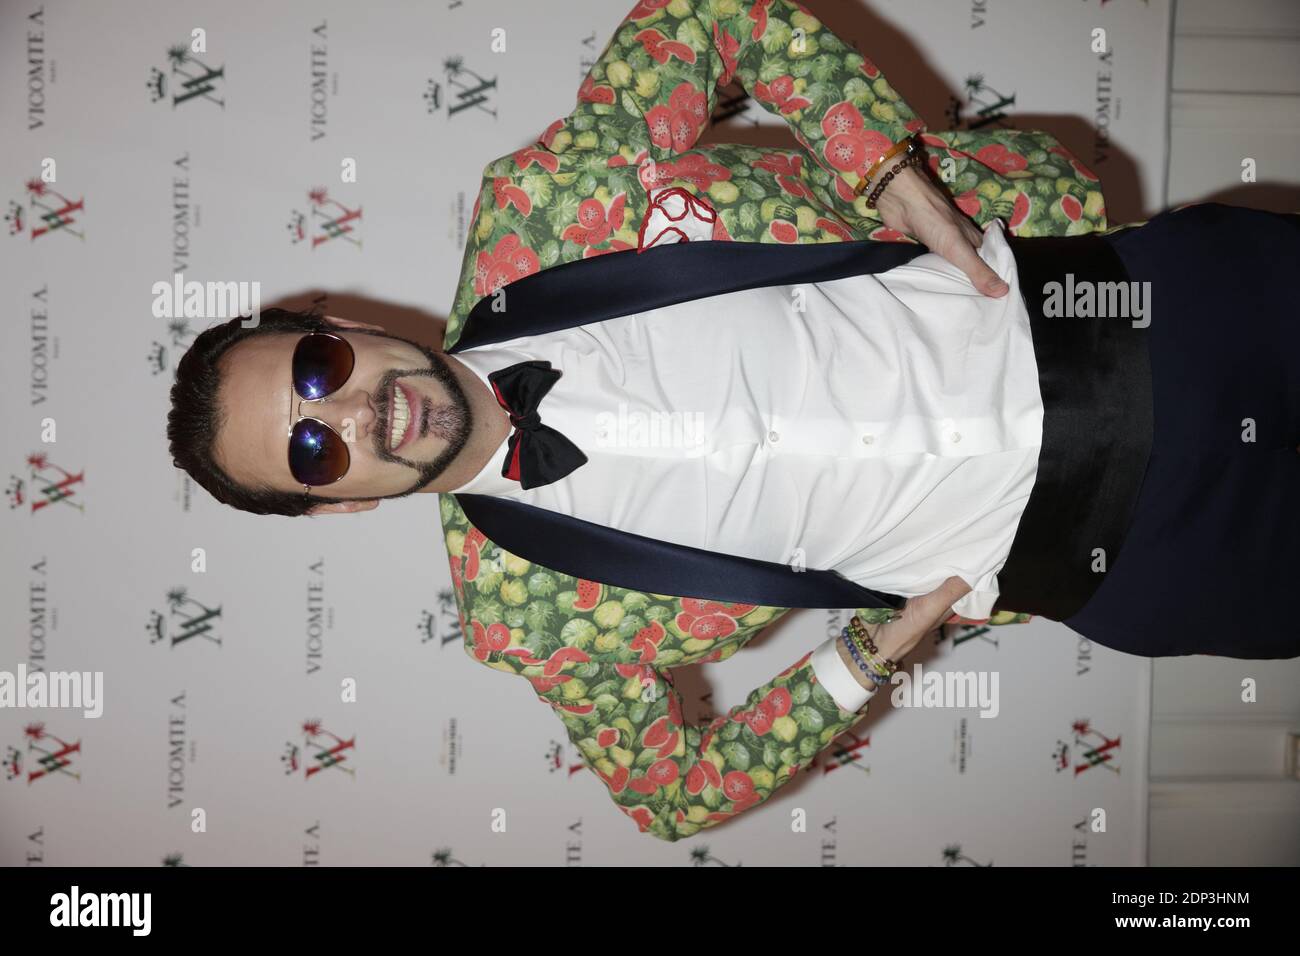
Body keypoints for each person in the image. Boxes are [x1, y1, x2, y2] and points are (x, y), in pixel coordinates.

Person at [166, 0, 1299, 841]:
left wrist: (882, 171)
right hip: (1125, 559)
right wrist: (863, 659)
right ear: (335, 502)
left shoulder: (542, 205)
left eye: (316, 367)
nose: (356, 411)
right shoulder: (526, 614)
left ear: (337, 323)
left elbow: (714, 21)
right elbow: (665, 795)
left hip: (1146, 315)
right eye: (312, 450)